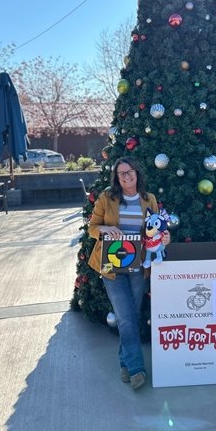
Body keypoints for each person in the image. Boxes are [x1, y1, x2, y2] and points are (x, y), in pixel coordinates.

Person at [88, 157, 170, 390]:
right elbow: (92, 228)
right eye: (121, 173)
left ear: (136, 172)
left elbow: (157, 229)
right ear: (116, 177)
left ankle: (125, 362)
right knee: (125, 316)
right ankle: (136, 369)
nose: (126, 176)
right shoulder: (107, 198)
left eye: (129, 171)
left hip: (138, 267)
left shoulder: (148, 199)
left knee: (130, 315)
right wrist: (104, 228)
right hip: (112, 266)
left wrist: (164, 238)